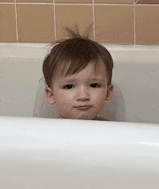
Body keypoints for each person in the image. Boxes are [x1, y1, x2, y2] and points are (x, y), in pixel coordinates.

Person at [42, 27, 114, 121]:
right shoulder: (47, 131)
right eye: (69, 86)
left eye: (94, 85)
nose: (83, 96)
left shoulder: (112, 130)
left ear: (108, 93)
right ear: (51, 95)